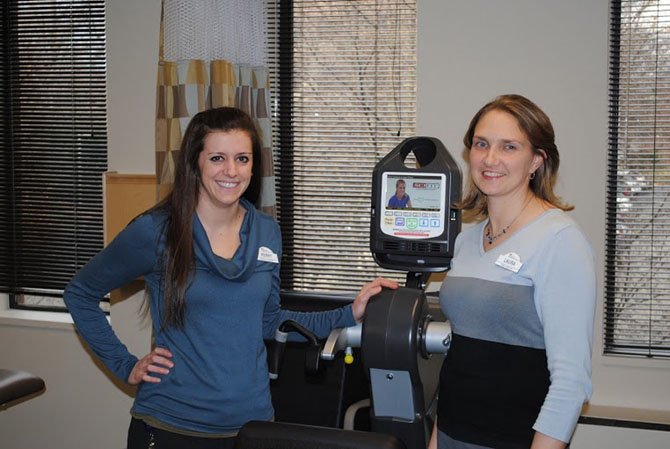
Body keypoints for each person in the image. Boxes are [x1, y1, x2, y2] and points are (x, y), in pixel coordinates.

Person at [64, 107, 398, 449]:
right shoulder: (156, 232)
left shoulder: (266, 232)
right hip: (171, 427)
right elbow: (80, 293)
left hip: (250, 427)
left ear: (254, 166)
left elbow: (269, 322)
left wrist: (348, 313)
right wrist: (125, 365)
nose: (231, 171)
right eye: (217, 158)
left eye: (242, 158)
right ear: (196, 163)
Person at [429, 94, 596, 449]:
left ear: (537, 159)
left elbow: (570, 382)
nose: (490, 159)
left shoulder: (559, 239)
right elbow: (461, 361)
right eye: (481, 144)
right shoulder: (467, 242)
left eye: (509, 147)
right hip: (451, 436)